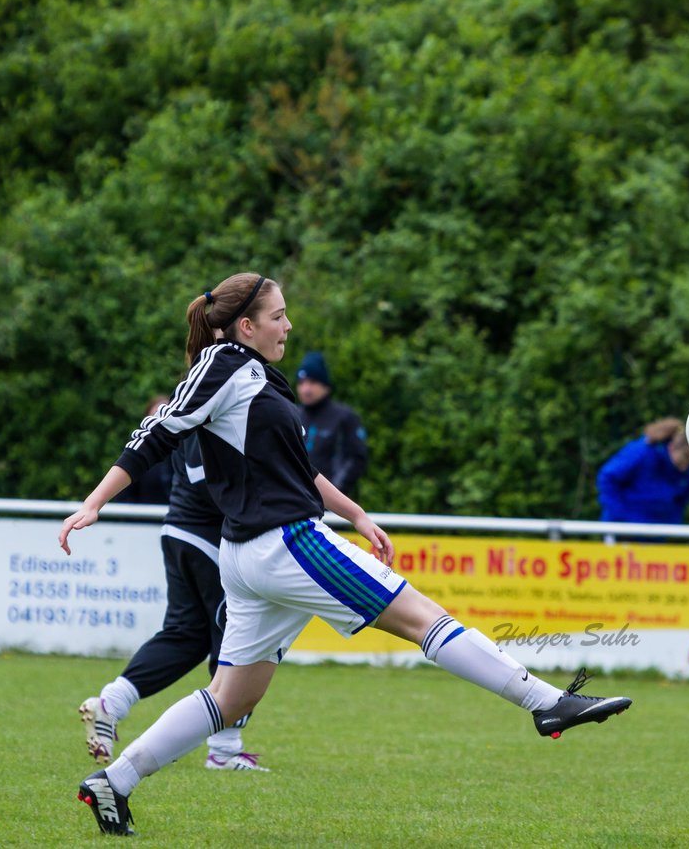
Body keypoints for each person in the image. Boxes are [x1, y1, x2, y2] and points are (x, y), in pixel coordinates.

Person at [59, 272, 632, 837]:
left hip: (253, 554)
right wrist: (96, 501)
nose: (288, 324)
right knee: (423, 620)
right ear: (245, 325)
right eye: (279, 315)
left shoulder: (259, 376)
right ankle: (547, 701)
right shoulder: (223, 364)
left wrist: (355, 513)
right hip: (285, 544)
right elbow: (158, 430)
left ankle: (116, 779)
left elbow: (297, 471)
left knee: (230, 699)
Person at [79, 434, 267, 773]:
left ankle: (112, 703)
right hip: (204, 538)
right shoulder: (209, 409)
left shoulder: (205, 408)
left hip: (185, 532)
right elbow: (201, 475)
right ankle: (224, 750)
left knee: (187, 636)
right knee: (235, 634)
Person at [596, 417, 689, 524]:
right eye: (684, 460)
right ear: (673, 447)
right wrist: (620, 517)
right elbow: (608, 477)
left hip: (657, 533)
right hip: (622, 529)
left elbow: (682, 501)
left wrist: (671, 524)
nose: (685, 468)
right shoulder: (642, 451)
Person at [295, 351, 368, 497]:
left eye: (312, 382)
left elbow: (356, 459)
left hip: (334, 507)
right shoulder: (293, 415)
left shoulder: (345, 417)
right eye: (301, 383)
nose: (306, 389)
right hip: (297, 503)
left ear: (325, 385)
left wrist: (334, 495)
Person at [112, 395, 174, 505]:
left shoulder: (185, 452)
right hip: (144, 519)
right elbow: (124, 496)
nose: (160, 422)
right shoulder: (136, 453)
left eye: (166, 416)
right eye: (156, 416)